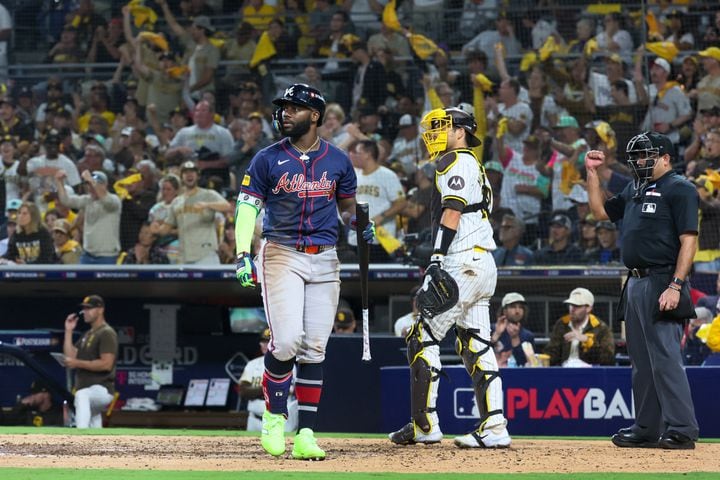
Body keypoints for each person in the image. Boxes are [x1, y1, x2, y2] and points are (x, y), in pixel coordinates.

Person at [233, 83, 374, 460]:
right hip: (282, 252)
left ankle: (307, 433)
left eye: (292, 108)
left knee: (314, 347)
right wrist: (242, 253)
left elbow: (347, 208)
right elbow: (247, 207)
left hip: (326, 257)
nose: (284, 114)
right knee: (288, 340)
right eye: (282, 109)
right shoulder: (266, 158)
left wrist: (359, 223)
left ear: (314, 115)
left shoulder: (338, 159)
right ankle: (275, 418)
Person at [389, 106, 511, 448]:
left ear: (462, 131)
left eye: (443, 127)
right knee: (476, 344)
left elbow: (453, 209)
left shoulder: (454, 160)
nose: (435, 133)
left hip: (462, 261)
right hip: (482, 263)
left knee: (420, 335)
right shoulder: (471, 163)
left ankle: (425, 425)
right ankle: (495, 426)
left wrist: (437, 257)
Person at [586, 132, 699, 449]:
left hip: (663, 279)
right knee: (641, 361)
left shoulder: (681, 189)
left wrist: (676, 285)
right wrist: (592, 174)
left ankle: (682, 428)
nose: (638, 161)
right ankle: (647, 427)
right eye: (635, 156)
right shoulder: (634, 187)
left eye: (645, 155)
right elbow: (599, 213)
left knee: (665, 357)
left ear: (665, 158)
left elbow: (689, 241)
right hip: (633, 282)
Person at [63, 295, 118, 429]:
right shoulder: (87, 334)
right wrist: (68, 331)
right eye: (84, 309)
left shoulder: (106, 332)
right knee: (92, 416)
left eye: (89, 308)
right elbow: (70, 355)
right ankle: (96, 445)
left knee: (82, 396)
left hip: (102, 389)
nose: (85, 312)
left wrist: (77, 363)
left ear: (100, 310)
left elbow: (106, 364)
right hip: (87, 389)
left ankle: (81, 438)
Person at [239, 328, 298, 433]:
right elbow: (243, 391)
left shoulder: (287, 364)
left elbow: (287, 391)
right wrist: (269, 388)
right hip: (254, 420)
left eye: (268, 341)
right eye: (263, 341)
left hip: (279, 420)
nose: (265, 345)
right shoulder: (252, 364)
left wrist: (256, 391)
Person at [544, 288, 615, 367]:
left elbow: (608, 358)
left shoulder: (601, 328)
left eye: (577, 306)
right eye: (571, 305)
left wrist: (588, 341)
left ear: (588, 308)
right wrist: (540, 359)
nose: (572, 309)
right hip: (564, 372)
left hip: (590, 374)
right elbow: (552, 352)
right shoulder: (561, 324)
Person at [491, 292, 536, 367]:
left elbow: (527, 364)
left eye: (521, 307)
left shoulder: (528, 336)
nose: (517, 311)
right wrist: (496, 335)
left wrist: (515, 339)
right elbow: (480, 355)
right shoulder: (491, 329)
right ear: (504, 310)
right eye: (513, 307)